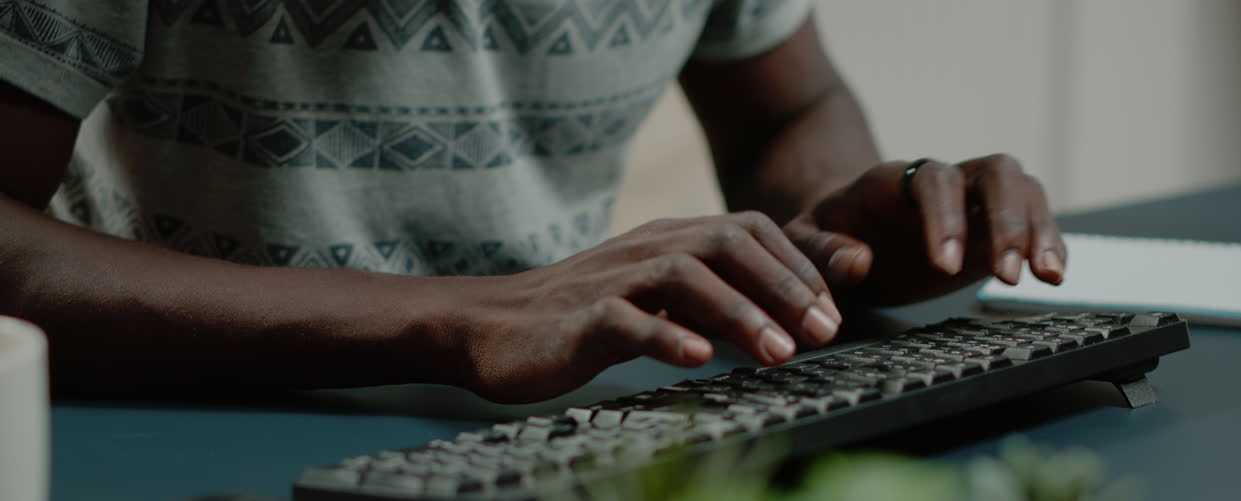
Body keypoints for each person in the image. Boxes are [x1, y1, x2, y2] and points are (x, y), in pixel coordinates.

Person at [0, 0, 1065, 403]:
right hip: (191, 435)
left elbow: (783, 112)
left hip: (527, 446)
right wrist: (459, 318)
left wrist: (838, 236)